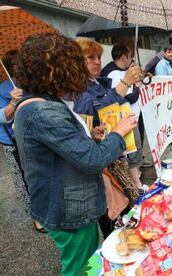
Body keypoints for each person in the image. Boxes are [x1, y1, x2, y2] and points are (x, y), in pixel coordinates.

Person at [12, 33, 138, 275]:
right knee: (79, 268)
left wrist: (92, 136)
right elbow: (93, 160)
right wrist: (118, 134)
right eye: (74, 64)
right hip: (69, 209)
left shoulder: (44, 102)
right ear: (54, 70)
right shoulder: (44, 110)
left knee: (85, 262)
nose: (79, 71)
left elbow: (65, 148)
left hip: (69, 204)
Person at [73, 38, 145, 192]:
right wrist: (125, 83)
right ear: (77, 61)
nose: (97, 62)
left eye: (99, 57)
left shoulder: (99, 82)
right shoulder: (78, 88)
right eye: (90, 58)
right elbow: (96, 113)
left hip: (116, 148)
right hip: (104, 155)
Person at [0, 50, 46, 233]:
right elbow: (2, 117)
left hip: (32, 138)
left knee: (37, 176)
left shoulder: (30, 84)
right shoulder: (3, 89)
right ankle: (36, 217)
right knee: (23, 180)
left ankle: (45, 209)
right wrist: (12, 102)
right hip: (12, 143)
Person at [101, 42, 152, 169]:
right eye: (130, 57)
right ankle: (136, 178)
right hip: (123, 119)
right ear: (124, 57)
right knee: (131, 151)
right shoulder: (113, 73)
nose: (131, 60)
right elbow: (127, 97)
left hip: (130, 117)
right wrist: (137, 87)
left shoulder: (117, 71)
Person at [154, 45, 172, 145]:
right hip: (166, 97)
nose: (171, 54)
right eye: (169, 52)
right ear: (164, 53)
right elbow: (161, 82)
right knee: (167, 117)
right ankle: (170, 138)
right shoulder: (161, 65)